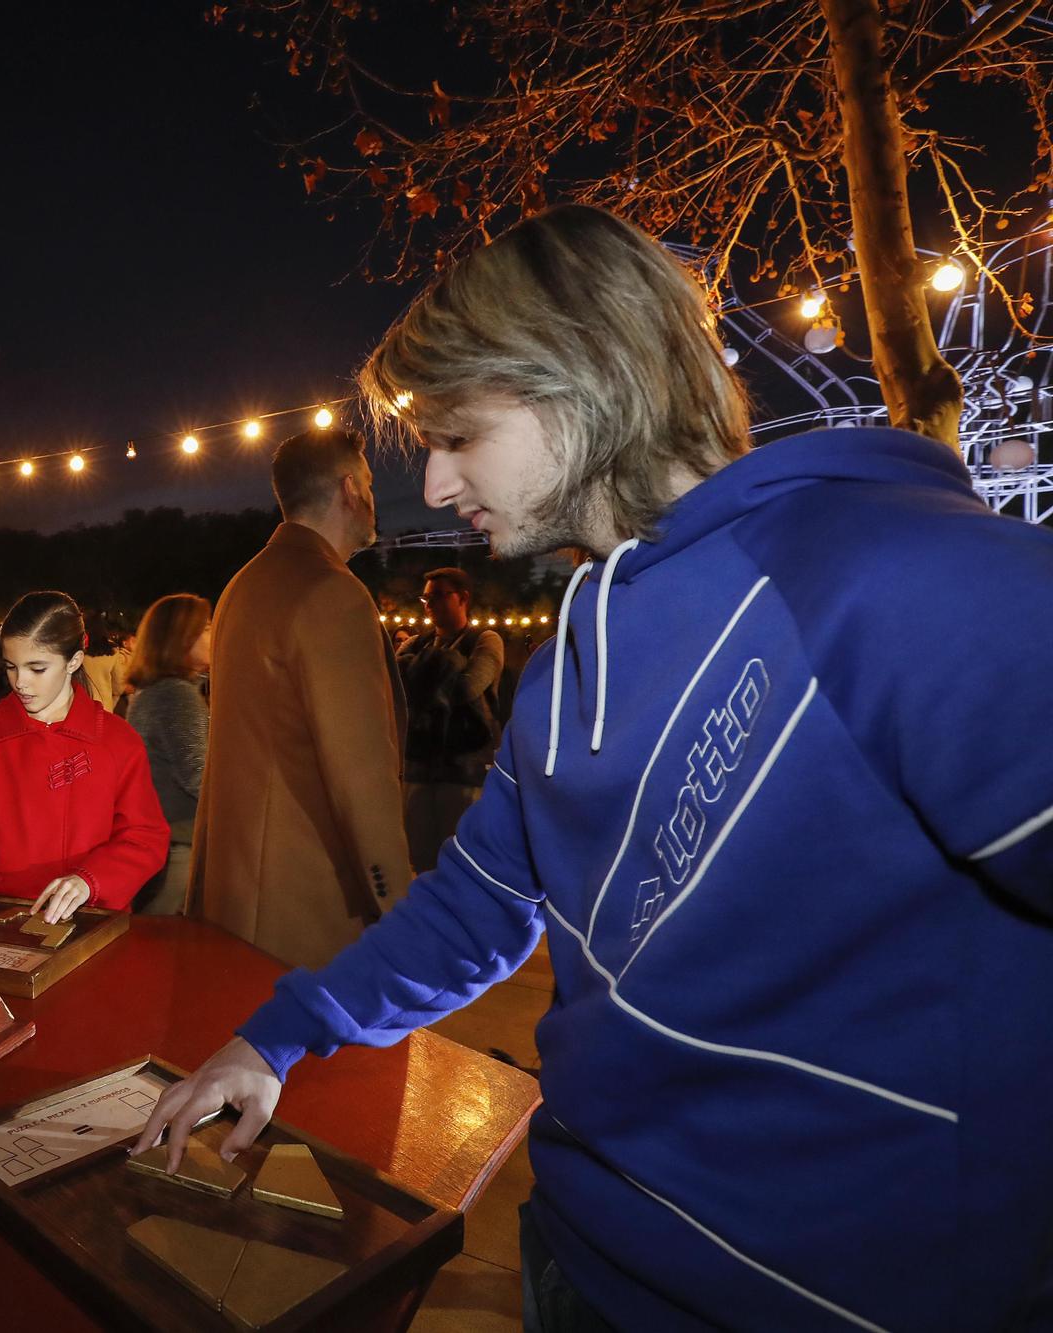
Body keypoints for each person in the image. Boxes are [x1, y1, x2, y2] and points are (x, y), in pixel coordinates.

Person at [136, 205, 1053, 1332]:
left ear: (576, 386)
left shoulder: (904, 582)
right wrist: (277, 1033)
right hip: (572, 1263)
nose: (428, 485)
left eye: (457, 434)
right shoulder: (562, 669)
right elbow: (476, 906)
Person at [188, 430, 413, 968]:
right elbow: (361, 775)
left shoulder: (243, 586)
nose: (374, 499)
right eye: (372, 484)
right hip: (312, 908)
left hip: (234, 898)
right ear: (350, 489)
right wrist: (402, 907)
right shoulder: (331, 593)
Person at [0, 591, 170, 924]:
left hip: (91, 918)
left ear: (74, 661)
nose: (20, 683)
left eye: (37, 668)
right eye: (11, 667)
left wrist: (91, 880)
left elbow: (144, 837)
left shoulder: (118, 741)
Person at [396, 565, 504, 871]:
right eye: (426, 598)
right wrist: (444, 666)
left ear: (463, 598)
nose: (430, 605)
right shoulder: (415, 644)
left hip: (464, 767)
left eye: (440, 596)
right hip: (418, 765)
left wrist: (423, 669)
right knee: (419, 859)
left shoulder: (484, 640)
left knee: (464, 862)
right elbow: (394, 687)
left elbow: (468, 688)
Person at [123, 593, 212, 916]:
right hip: (179, 843)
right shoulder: (176, 695)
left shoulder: (154, 690)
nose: (212, 635)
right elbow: (199, 776)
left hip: (163, 839)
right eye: (204, 628)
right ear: (181, 638)